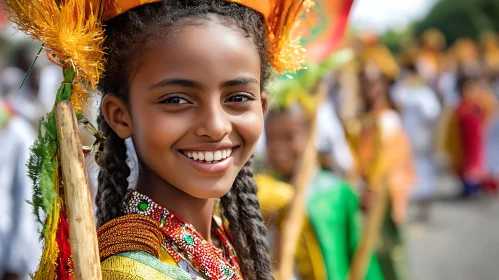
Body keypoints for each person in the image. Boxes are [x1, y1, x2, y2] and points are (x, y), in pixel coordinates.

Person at [88, 1, 312, 279]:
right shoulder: (129, 272)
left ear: (262, 107)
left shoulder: (226, 242)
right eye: (176, 100)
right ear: (121, 116)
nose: (216, 127)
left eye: (238, 98)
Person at [257, 99, 384, 280]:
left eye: (289, 136)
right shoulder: (261, 192)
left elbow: (359, 254)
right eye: (272, 138)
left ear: (310, 134)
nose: (278, 147)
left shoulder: (336, 193)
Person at [346, 43, 415, 280]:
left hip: (382, 201)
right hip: (360, 198)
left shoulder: (388, 121)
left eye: (372, 80)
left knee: (389, 258)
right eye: (362, 79)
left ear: (384, 83)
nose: (367, 86)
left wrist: (373, 189)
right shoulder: (357, 118)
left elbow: (391, 164)